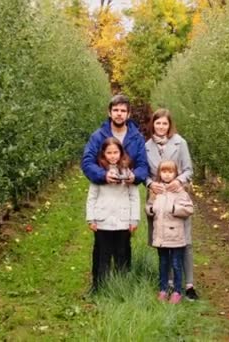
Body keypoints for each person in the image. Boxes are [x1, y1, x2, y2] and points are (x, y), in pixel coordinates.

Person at [81, 94, 147, 290]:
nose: (119, 114)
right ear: (109, 112)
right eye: (116, 110)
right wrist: (103, 175)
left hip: (125, 196)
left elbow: (143, 165)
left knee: (123, 246)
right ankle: (98, 286)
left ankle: (121, 286)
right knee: (101, 247)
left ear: (128, 114)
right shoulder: (98, 136)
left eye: (123, 110)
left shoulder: (136, 137)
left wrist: (135, 177)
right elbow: (87, 162)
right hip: (105, 198)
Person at [145, 108, 199, 301]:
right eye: (157, 123)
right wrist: (151, 184)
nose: (161, 127)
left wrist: (179, 181)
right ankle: (168, 283)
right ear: (153, 124)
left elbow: (188, 169)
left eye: (164, 123)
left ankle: (189, 284)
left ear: (170, 125)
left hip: (177, 196)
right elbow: (145, 172)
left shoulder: (179, 142)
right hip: (157, 197)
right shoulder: (147, 146)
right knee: (162, 239)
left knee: (184, 239)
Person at [86, 137, 140, 292]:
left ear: (121, 153)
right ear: (103, 154)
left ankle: (121, 287)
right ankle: (101, 287)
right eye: (109, 152)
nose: (112, 156)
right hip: (103, 220)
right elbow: (92, 197)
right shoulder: (98, 172)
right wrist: (91, 218)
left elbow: (134, 196)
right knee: (103, 255)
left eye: (115, 152)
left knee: (122, 253)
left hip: (123, 220)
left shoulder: (128, 172)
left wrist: (134, 219)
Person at [146, 160, 194, 304]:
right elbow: (148, 206)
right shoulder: (156, 191)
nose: (167, 175)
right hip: (161, 236)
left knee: (176, 263)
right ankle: (163, 289)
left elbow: (189, 209)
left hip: (175, 236)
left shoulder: (180, 191)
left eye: (170, 172)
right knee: (163, 263)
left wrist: (175, 209)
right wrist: (151, 210)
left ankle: (177, 291)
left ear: (175, 174)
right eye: (164, 172)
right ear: (159, 173)